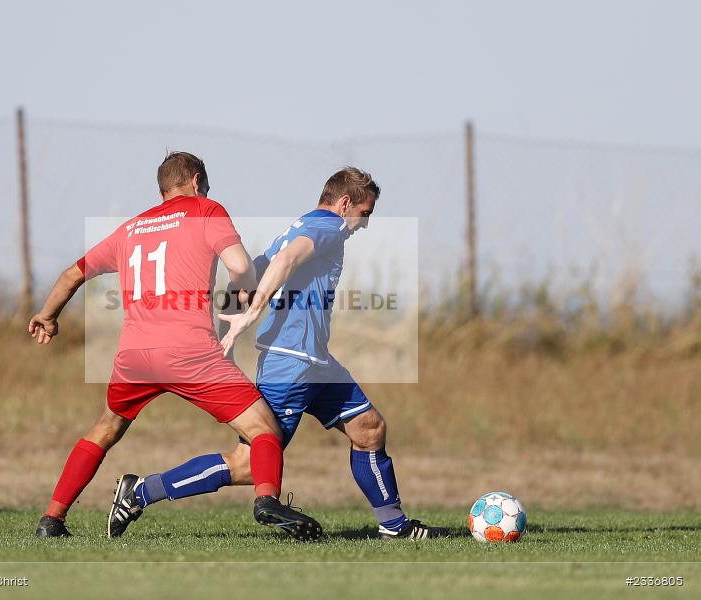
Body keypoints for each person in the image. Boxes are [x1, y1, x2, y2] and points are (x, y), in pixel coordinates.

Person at [109, 167, 449, 540]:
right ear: (344, 203)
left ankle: (395, 526)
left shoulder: (302, 225)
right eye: (364, 213)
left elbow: (246, 278)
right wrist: (250, 315)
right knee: (247, 465)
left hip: (317, 363)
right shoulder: (329, 226)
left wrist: (227, 332)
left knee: (369, 428)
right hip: (290, 363)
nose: (364, 224)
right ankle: (140, 492)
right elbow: (285, 261)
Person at [30, 151, 321, 541]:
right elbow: (238, 266)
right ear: (197, 181)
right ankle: (266, 500)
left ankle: (52, 519)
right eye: (207, 186)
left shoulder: (131, 229)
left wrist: (47, 316)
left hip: (134, 356)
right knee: (263, 428)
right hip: (190, 353)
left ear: (163, 190)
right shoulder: (205, 210)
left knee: (106, 428)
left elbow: (71, 275)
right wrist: (246, 290)